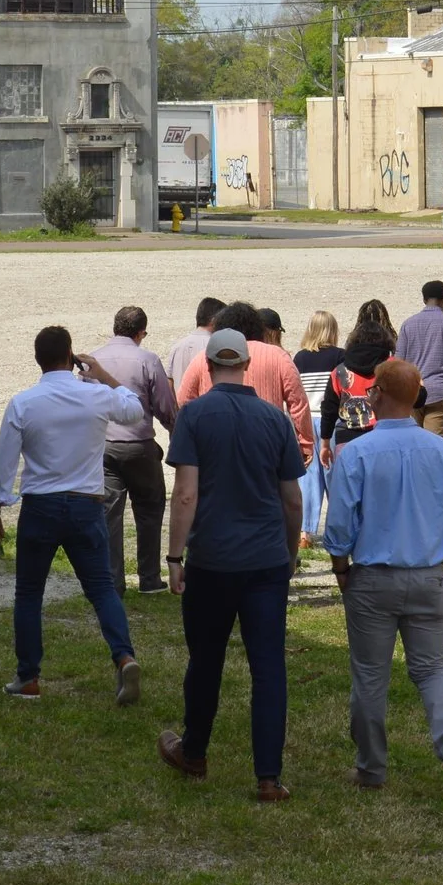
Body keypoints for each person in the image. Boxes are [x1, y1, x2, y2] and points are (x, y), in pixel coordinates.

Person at [322, 358, 443, 799]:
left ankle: (371, 767)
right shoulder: (442, 450)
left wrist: (341, 569)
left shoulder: (357, 453)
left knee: (370, 676)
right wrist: (428, 516)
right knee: (432, 669)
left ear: (378, 395)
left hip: (374, 576)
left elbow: (339, 527)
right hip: (429, 575)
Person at [158, 329, 303, 801]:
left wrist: (174, 557)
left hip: (212, 560)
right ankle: (268, 777)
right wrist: (289, 552)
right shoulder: (275, 419)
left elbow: (185, 494)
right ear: (245, 364)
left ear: (207, 365)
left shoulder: (195, 415)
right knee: (269, 666)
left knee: (206, 659)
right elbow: (291, 498)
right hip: (265, 561)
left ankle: (194, 751)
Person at [0, 325, 148, 704]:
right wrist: (102, 375)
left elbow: (4, 465)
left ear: (37, 359)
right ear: (71, 357)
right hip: (87, 505)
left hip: (41, 507)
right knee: (101, 588)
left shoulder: (24, 403)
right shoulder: (96, 395)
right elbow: (135, 409)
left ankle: (28, 677)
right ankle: (124, 657)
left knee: (29, 593)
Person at [90, 306, 178, 593]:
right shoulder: (147, 360)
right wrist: (174, 431)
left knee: (109, 515)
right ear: (141, 333)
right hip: (139, 446)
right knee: (150, 509)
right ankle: (149, 577)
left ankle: (113, 580)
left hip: (104, 446)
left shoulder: (94, 359)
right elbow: (164, 405)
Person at [177, 301, 315, 460]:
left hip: (217, 446)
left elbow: (184, 399)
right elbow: (298, 402)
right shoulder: (278, 356)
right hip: (266, 445)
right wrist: (305, 443)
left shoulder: (204, 357)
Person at [293, 311, 348, 547]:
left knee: (308, 476)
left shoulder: (300, 358)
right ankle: (339, 527)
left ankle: (304, 533)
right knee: (334, 475)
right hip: (330, 421)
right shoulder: (340, 356)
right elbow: (344, 389)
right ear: (332, 330)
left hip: (306, 420)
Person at [321, 300, 398, 468]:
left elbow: (329, 409)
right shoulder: (392, 367)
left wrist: (325, 443)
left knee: (349, 483)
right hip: (384, 438)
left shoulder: (339, 372)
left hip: (347, 440)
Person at [398, 280, 443, 439]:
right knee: (435, 444)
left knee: (413, 442)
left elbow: (399, 362)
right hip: (441, 392)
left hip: (413, 393)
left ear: (424, 299)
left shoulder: (408, 324)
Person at [162, 297, 226, 394]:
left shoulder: (177, 346)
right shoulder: (217, 347)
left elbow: (169, 384)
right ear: (214, 321)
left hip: (181, 403)